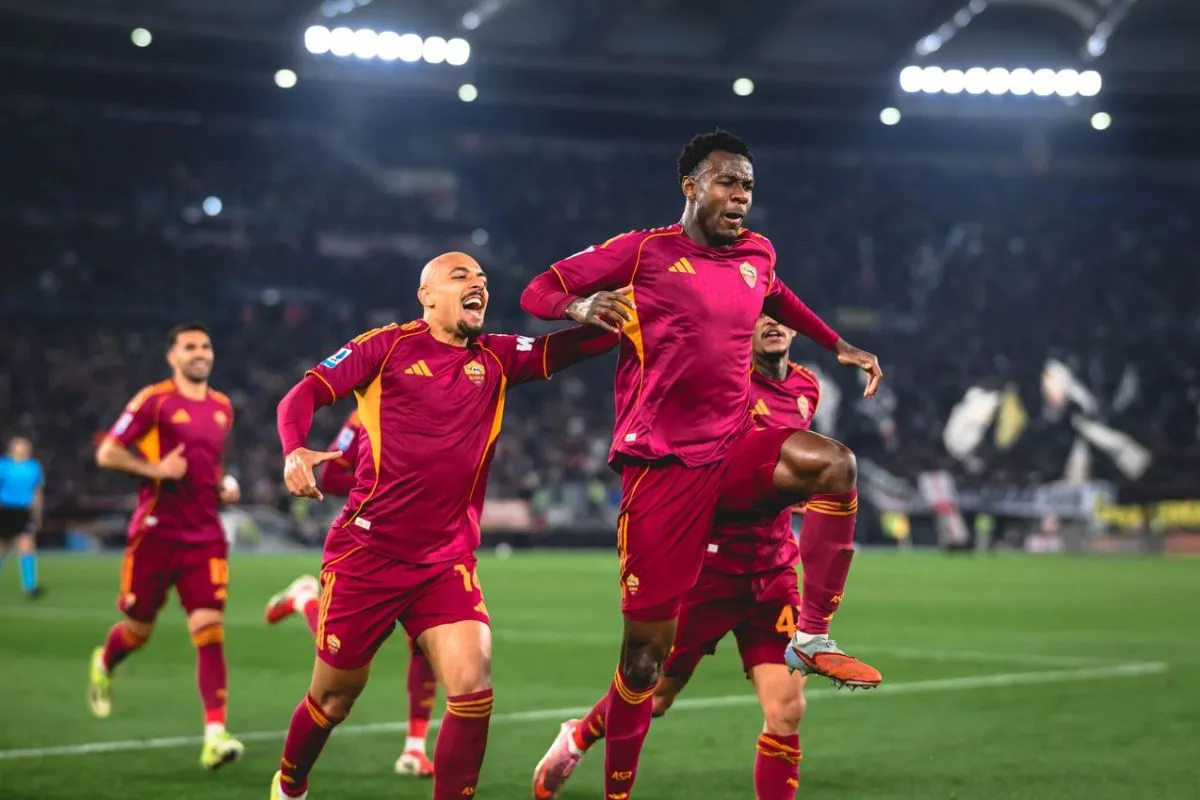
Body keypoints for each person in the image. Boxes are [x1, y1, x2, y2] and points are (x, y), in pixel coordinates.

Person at [519, 130, 884, 798]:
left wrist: (838, 345)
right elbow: (539, 289)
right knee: (644, 667)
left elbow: (777, 292)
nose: (740, 196)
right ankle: (602, 768)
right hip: (663, 466)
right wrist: (579, 306)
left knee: (834, 464)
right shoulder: (645, 251)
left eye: (748, 185)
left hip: (734, 457)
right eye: (727, 182)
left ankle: (813, 635)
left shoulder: (757, 255)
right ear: (691, 187)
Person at [269, 252, 618, 800]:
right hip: (367, 554)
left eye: (482, 279)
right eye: (460, 277)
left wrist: (621, 314)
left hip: (445, 559)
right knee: (333, 700)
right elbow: (303, 394)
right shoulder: (386, 347)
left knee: (473, 688)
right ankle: (290, 785)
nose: (477, 285)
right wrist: (294, 451)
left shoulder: (497, 357)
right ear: (426, 296)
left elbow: (569, 348)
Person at [533, 315, 822, 800]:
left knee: (787, 711)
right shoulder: (720, 388)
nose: (772, 322)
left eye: (780, 316)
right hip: (707, 570)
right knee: (656, 695)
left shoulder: (807, 387)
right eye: (759, 316)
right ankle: (578, 736)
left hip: (773, 571)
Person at [87, 322, 244, 770]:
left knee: (210, 630)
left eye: (206, 346)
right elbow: (108, 453)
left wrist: (224, 486)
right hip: (156, 534)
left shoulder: (222, 407)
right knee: (137, 631)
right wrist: (155, 470)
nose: (200, 353)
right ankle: (106, 660)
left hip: (205, 536)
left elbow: (211, 465)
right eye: (190, 347)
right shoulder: (153, 401)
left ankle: (215, 735)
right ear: (172, 357)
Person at [264, 409, 440, 778]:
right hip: (371, 546)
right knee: (343, 657)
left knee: (426, 644)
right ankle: (306, 600)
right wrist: (383, 484)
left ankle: (414, 748)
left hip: (427, 543)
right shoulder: (363, 416)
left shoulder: (440, 405)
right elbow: (330, 475)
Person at [0, 436, 45, 598]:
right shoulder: (3, 465)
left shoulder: (34, 467)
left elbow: (37, 492)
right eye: (21, 445)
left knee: (27, 546)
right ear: (12, 448)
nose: (25, 448)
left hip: (24, 511)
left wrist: (37, 514)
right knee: (2, 547)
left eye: (26, 446)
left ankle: (30, 586)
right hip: (5, 509)